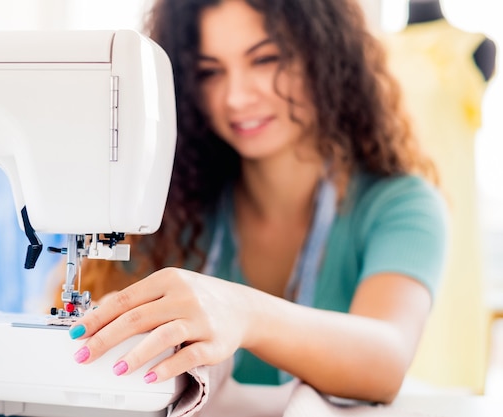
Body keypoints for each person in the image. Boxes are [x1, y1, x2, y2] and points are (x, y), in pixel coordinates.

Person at [64, 0, 448, 405]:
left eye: (266, 59)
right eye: (210, 71)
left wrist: (244, 312)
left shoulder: (400, 205)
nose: (236, 97)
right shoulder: (171, 205)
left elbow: (385, 362)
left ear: (328, 58)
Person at [383, 0, 497, 393]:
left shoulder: (476, 46)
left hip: (451, 207)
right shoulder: (376, 50)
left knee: (447, 318)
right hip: (387, 208)